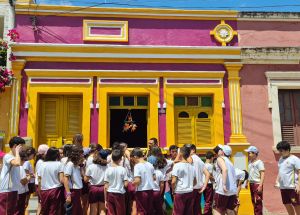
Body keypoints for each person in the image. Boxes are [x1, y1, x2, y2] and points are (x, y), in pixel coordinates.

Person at [0, 136, 25, 214]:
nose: (22, 150)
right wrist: (17, 152)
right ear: (15, 146)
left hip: (13, 190)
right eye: (21, 147)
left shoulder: (15, 157)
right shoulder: (8, 156)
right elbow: (17, 163)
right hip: (7, 191)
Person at [275, 141, 300, 215]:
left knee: (296, 205)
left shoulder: (295, 159)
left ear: (288, 150)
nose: (280, 152)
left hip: (292, 187)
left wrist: (298, 185)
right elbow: (280, 171)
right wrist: (277, 181)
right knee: (286, 204)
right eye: (279, 150)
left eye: (281, 150)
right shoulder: (281, 159)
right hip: (283, 187)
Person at [38, 147, 64, 215]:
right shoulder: (59, 164)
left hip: (44, 190)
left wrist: (40, 191)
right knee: (54, 211)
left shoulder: (42, 165)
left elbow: (39, 180)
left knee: (45, 211)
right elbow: (61, 180)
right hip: (56, 190)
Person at [171, 145, 196, 215]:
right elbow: (195, 182)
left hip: (180, 192)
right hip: (190, 192)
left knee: (178, 212)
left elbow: (173, 181)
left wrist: (173, 191)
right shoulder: (192, 167)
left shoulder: (177, 165)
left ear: (180, 154)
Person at [213, 144, 237, 215]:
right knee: (229, 210)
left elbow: (224, 169)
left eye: (220, 149)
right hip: (232, 190)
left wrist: (223, 185)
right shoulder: (230, 162)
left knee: (217, 210)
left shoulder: (220, 158)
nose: (218, 151)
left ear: (222, 152)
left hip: (222, 190)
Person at [187, 144, 209, 215]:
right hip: (199, 187)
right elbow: (207, 174)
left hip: (191, 187)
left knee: (189, 209)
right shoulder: (200, 160)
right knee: (197, 208)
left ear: (193, 150)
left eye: (187, 149)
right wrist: (204, 187)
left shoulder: (190, 158)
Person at [104, 149, 128, 215]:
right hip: (120, 193)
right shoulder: (123, 169)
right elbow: (126, 184)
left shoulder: (108, 170)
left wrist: (105, 199)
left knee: (111, 213)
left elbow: (106, 186)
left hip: (110, 193)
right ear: (120, 159)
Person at [84, 149, 108, 215]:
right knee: (102, 210)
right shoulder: (108, 167)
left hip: (93, 188)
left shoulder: (91, 167)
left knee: (93, 210)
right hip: (104, 188)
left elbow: (85, 180)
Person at [132, 147, 155, 215]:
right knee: (149, 211)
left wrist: (132, 183)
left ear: (135, 156)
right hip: (150, 190)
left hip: (141, 191)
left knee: (141, 211)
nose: (133, 160)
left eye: (133, 158)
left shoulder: (137, 166)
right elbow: (154, 178)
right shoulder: (150, 164)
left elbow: (137, 180)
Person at [64, 145, 84, 215]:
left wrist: (81, 166)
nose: (83, 155)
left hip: (77, 191)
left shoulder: (77, 165)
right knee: (72, 212)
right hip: (73, 191)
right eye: (81, 154)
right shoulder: (70, 164)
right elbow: (65, 179)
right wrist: (68, 194)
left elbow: (82, 176)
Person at [245, 145, 265, 215]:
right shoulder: (250, 162)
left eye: (249, 153)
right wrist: (247, 182)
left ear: (254, 153)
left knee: (258, 201)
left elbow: (262, 173)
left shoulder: (259, 162)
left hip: (257, 184)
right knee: (253, 201)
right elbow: (250, 173)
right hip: (251, 183)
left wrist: (260, 185)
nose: (248, 155)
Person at [35, 144, 49, 215]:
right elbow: (40, 176)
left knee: (40, 204)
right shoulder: (41, 162)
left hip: (40, 185)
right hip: (40, 185)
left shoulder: (40, 161)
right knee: (42, 205)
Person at [15, 149, 30, 215]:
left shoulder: (12, 167)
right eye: (25, 160)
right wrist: (28, 177)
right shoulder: (20, 167)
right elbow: (23, 181)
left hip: (14, 192)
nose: (24, 162)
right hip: (20, 192)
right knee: (19, 211)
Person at [203, 151, 215, 215]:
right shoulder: (210, 166)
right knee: (209, 201)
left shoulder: (203, 164)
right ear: (212, 158)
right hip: (209, 184)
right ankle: (207, 213)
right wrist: (214, 180)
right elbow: (209, 175)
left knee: (206, 200)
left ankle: (208, 212)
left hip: (203, 184)